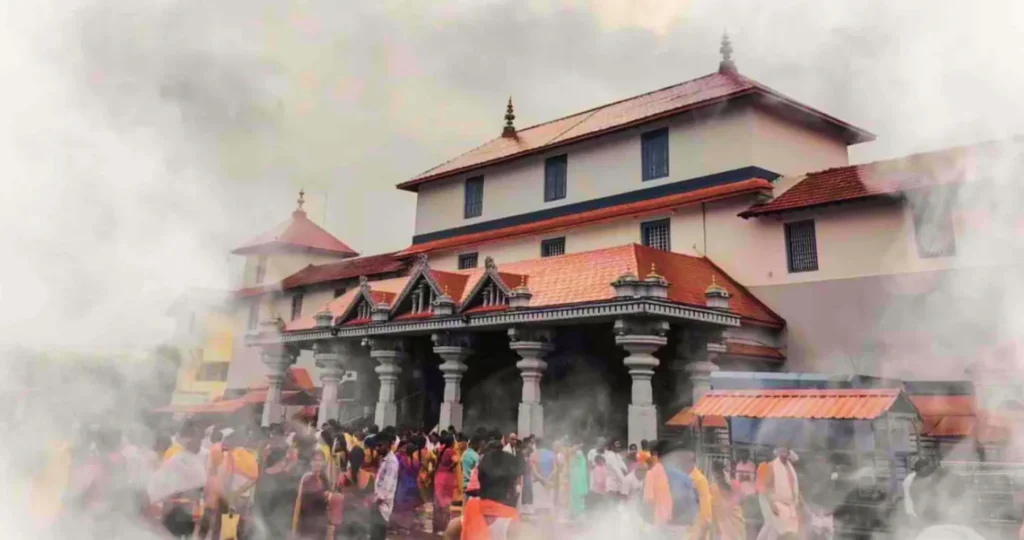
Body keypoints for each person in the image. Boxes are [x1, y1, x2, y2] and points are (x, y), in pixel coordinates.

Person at [443, 451, 535, 540]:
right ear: (510, 491)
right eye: (517, 483)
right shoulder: (519, 530)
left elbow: (450, 531)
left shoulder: (464, 522)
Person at [252, 447, 298, 540]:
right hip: (279, 527)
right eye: (285, 460)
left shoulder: (262, 477)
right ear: (279, 461)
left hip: (262, 524)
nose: (285, 463)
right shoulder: (285, 479)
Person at [756, 446, 801, 540]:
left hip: (789, 504)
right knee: (772, 525)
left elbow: (796, 458)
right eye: (781, 450)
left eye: (786, 451)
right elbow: (766, 486)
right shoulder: (771, 466)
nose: (783, 453)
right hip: (775, 501)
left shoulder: (789, 466)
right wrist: (772, 504)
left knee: (786, 530)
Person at [292, 450, 331, 540]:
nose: (317, 463)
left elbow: (328, 499)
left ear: (323, 463)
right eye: (315, 460)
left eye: (320, 460)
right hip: (307, 523)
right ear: (311, 462)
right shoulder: (306, 478)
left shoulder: (324, 479)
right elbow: (301, 503)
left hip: (321, 523)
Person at [371, 432, 399, 540]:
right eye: (376, 446)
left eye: (380, 445)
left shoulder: (391, 462)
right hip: (378, 504)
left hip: (382, 507)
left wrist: (374, 501)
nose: (377, 448)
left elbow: (387, 488)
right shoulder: (384, 459)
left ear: (388, 444)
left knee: (377, 536)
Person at [681, 447, 713, 540]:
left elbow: (705, 503)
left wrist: (705, 525)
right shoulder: (681, 477)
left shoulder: (700, 480)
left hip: (697, 527)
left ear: (693, 462)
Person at [393, 438, 424, 532]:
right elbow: (418, 471)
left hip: (404, 484)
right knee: (411, 505)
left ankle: (403, 525)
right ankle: (412, 524)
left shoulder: (403, 460)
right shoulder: (416, 460)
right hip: (413, 483)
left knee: (403, 505)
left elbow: (398, 471)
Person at [710, 460, 746, 540]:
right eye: (716, 477)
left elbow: (742, 499)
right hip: (723, 529)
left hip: (735, 526)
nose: (718, 479)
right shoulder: (712, 489)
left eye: (719, 477)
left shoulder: (733, 484)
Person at [642, 441, 672, 528]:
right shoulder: (663, 468)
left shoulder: (652, 471)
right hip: (666, 514)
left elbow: (649, 499)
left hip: (656, 517)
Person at [434, 433, 459, 535]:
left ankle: (437, 527)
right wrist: (452, 466)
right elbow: (456, 460)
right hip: (446, 479)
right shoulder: (450, 451)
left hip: (439, 477)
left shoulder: (442, 449)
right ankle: (444, 528)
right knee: (445, 503)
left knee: (438, 503)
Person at [530, 439, 556, 521]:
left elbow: (534, 472)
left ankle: (538, 527)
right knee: (548, 507)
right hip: (549, 483)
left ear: (536, 445)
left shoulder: (533, 455)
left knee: (538, 508)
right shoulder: (552, 454)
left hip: (537, 484)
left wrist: (542, 479)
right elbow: (555, 470)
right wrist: (548, 478)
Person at [569, 442, 588, 520]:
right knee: (576, 497)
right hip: (576, 479)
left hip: (578, 479)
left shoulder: (579, 455)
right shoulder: (575, 455)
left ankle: (578, 513)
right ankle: (576, 513)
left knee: (578, 497)